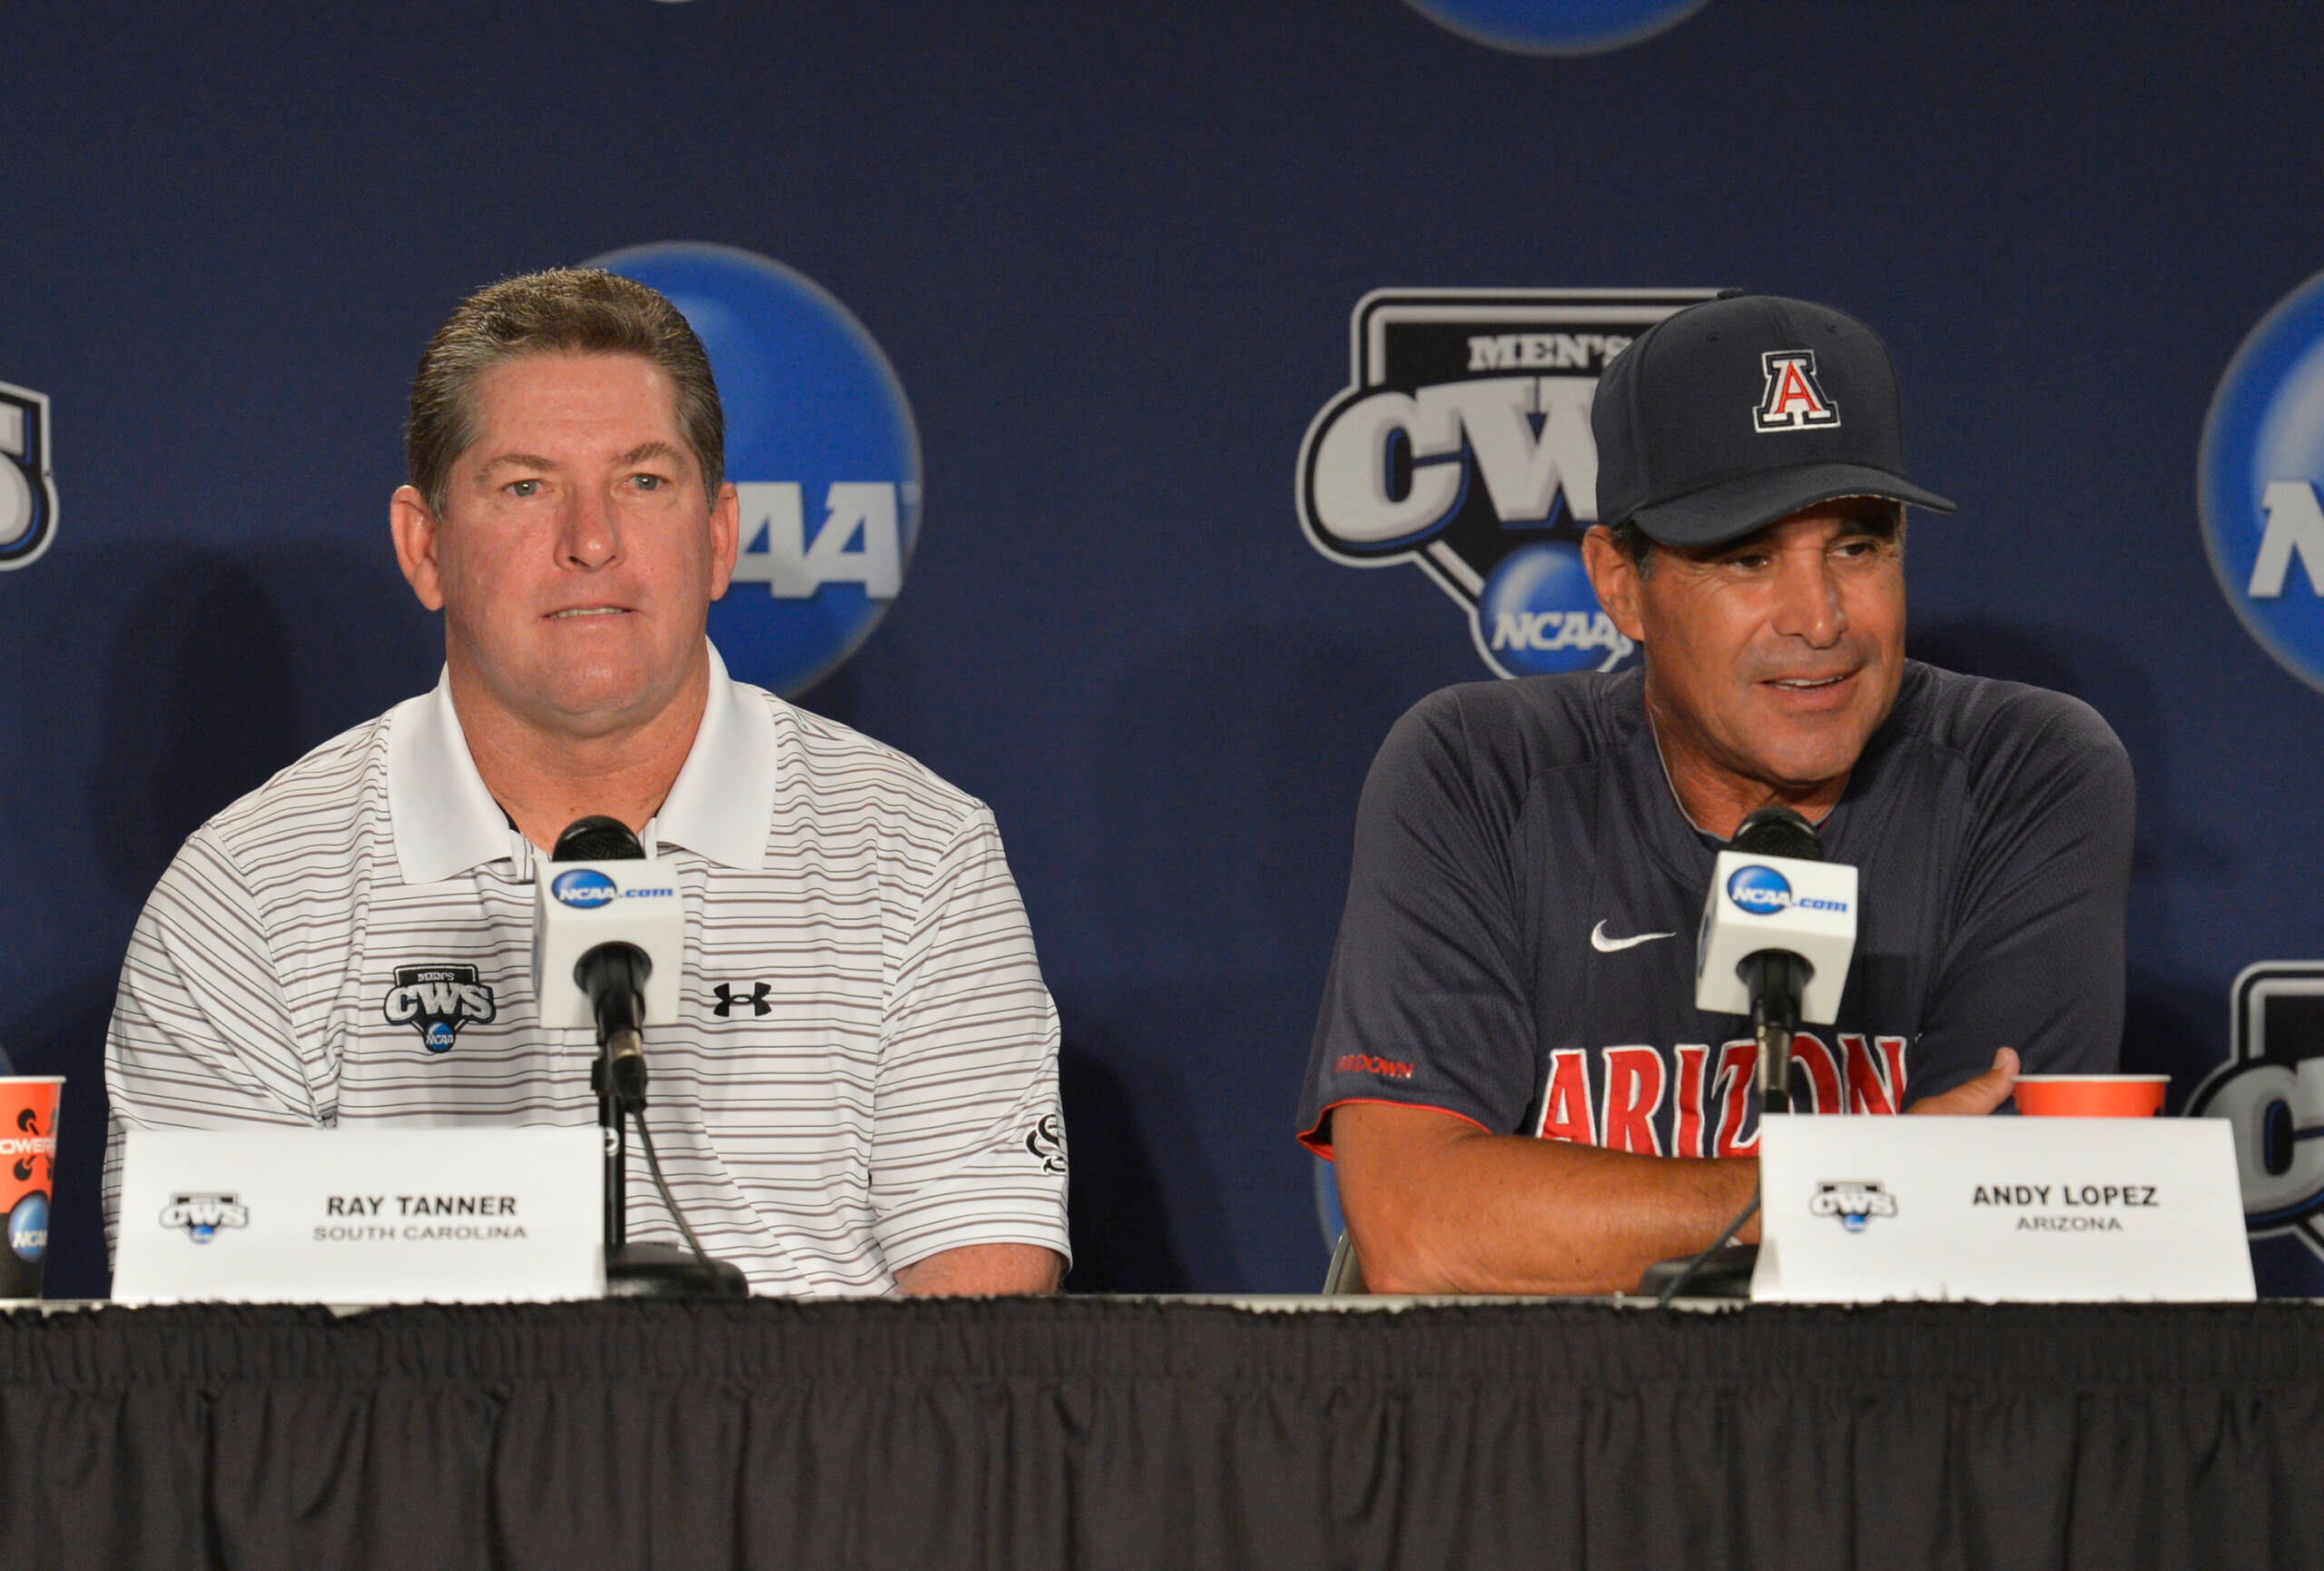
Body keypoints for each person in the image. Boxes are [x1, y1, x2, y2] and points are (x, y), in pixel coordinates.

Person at [103, 269, 1068, 1296]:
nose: (592, 541)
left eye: (643, 482)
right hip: (412, 1454)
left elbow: (978, 1330)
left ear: (717, 535)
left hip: (819, 1456)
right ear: (425, 546)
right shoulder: (245, 892)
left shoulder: (920, 856)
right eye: (526, 486)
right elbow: (204, 1343)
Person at [1298, 292, 2133, 1296]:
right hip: (1542, 1433)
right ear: (1617, 580)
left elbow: (1989, 1229)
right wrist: (1842, 1188)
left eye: (1858, 546)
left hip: (1882, 1430)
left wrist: (1600, 1216)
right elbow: (1422, 1233)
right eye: (1748, 556)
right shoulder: (1484, 771)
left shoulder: (2019, 770)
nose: (1820, 617)